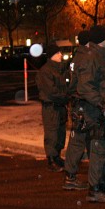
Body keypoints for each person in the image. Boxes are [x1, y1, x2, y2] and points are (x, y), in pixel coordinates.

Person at [78, 25, 105, 203]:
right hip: (95, 112)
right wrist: (102, 104)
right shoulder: (92, 57)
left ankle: (103, 182)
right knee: (98, 150)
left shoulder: (104, 56)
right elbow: (85, 87)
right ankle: (94, 188)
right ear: (102, 39)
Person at [62, 30, 92, 191]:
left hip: (77, 102)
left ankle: (71, 174)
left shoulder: (76, 57)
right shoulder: (84, 58)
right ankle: (70, 176)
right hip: (82, 103)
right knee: (78, 140)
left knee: (79, 139)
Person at [36, 42, 69, 171]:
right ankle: (51, 159)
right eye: (58, 53)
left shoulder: (60, 69)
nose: (61, 55)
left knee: (60, 133)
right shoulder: (45, 71)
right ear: (52, 55)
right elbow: (51, 91)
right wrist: (66, 97)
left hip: (60, 106)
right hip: (51, 107)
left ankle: (57, 156)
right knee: (52, 133)